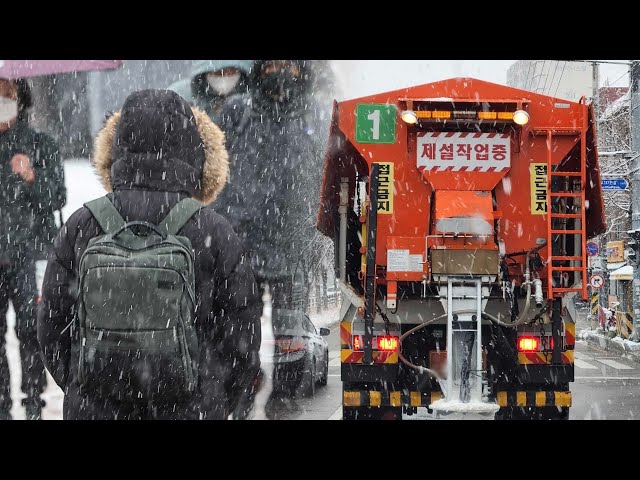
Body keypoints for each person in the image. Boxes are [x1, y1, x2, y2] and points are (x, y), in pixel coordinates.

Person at [37, 89, 262, 420]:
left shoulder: (82, 225)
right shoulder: (213, 229)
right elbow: (242, 334)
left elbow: (52, 327)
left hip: (96, 408)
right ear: (196, 151)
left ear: (115, 146)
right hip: (190, 407)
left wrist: (84, 385)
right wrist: (214, 397)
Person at [216, 60, 333, 418]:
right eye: (271, 65)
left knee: (290, 332)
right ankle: (241, 392)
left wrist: (317, 234)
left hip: (291, 244)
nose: (280, 72)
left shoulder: (315, 113)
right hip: (241, 243)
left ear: (301, 71)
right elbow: (216, 167)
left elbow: (325, 172)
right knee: (238, 328)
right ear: (258, 70)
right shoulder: (238, 112)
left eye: (288, 65)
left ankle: (284, 397)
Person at [0, 78, 63, 420]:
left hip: (31, 254)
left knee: (32, 331)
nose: (2, 102)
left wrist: (33, 178)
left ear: (20, 99)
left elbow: (58, 197)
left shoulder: (42, 144)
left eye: (7, 95)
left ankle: (34, 402)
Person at [168, 60, 254, 123]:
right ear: (205, 73)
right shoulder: (180, 94)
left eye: (230, 72)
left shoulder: (254, 100)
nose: (224, 78)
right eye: (217, 73)